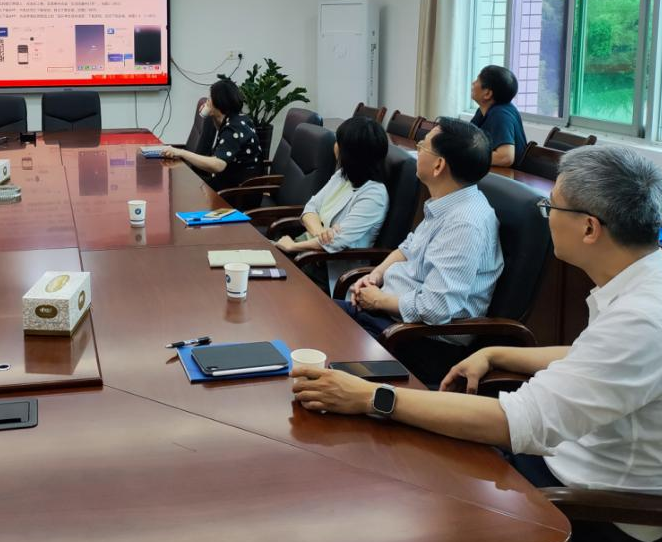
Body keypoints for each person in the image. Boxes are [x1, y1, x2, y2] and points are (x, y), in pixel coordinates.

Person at [293, 146, 662, 542]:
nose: (547, 216)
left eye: (551, 207)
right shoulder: (654, 284)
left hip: (594, 514)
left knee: (402, 504)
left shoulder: (646, 320)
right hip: (569, 465)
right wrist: (499, 352)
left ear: (590, 228)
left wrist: (370, 397)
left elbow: (517, 422)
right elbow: (595, 357)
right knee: (401, 457)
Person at [339, 118, 501, 380]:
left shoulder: (464, 224)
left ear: (439, 165)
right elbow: (407, 249)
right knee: (312, 317)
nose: (417, 150)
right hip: (390, 319)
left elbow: (436, 307)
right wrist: (376, 275)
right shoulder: (447, 202)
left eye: (423, 145)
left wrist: (378, 300)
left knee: (319, 344)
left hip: (417, 340)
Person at [275, 115, 390, 290]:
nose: (335, 146)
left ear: (351, 153)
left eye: (338, 142)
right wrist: (320, 232)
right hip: (309, 255)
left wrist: (293, 246)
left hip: (327, 271)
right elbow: (310, 208)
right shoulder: (343, 176)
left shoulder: (374, 195)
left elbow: (336, 242)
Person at [160, 79, 263, 190]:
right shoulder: (237, 119)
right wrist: (213, 116)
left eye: (209, 99)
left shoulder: (234, 128)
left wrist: (181, 152)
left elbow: (218, 165)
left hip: (238, 192)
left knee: (182, 186)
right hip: (229, 183)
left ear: (219, 102)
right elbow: (224, 139)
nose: (207, 102)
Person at [470, 65, 528, 168]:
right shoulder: (483, 110)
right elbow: (468, 138)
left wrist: (466, 156)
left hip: (507, 176)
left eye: (478, 80)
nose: (473, 83)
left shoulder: (501, 115)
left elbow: (506, 157)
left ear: (487, 94)